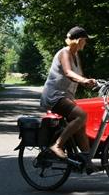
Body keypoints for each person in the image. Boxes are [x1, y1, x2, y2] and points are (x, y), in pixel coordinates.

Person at [40, 26, 100, 172]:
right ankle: (57, 145)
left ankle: (87, 162)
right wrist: (84, 80)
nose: (85, 43)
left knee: (81, 124)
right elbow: (68, 72)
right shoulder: (64, 53)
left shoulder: (76, 55)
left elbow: (79, 76)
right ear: (79, 41)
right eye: (85, 40)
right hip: (54, 96)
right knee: (81, 115)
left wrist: (92, 83)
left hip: (65, 96)